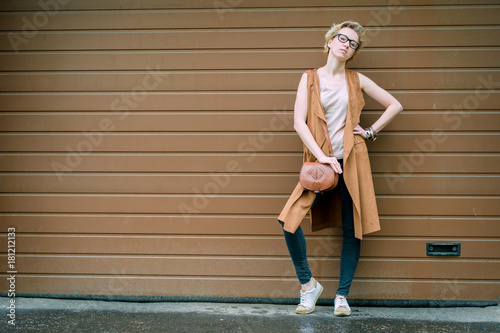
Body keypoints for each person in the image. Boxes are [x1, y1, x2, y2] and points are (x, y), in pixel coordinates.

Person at [277, 21, 403, 317]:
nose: (347, 44)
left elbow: (395, 105)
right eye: (343, 38)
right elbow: (299, 123)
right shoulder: (309, 78)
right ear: (330, 41)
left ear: (353, 52)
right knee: (289, 222)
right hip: (320, 166)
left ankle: (342, 296)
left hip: (353, 161)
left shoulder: (356, 79)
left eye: (353, 43)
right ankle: (309, 286)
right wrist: (322, 157)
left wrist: (369, 131)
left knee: (352, 229)